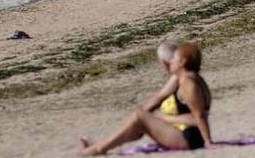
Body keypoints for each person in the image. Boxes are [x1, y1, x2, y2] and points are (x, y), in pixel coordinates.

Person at [78, 43, 213, 155]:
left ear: (182, 62)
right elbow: (161, 99)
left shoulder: (188, 82)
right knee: (139, 117)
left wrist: (208, 142)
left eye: (174, 58)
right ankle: (101, 146)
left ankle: (99, 148)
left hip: (190, 139)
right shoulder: (188, 78)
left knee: (139, 115)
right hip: (189, 136)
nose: (170, 61)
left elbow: (198, 117)